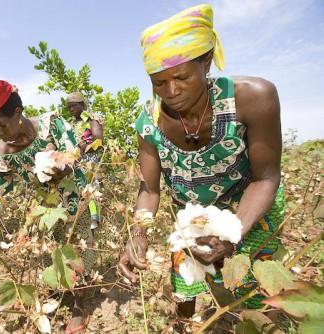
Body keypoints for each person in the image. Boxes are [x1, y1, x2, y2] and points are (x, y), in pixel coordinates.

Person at [118, 4, 284, 317]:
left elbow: (266, 179)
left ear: (206, 62)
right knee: (185, 287)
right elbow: (150, 191)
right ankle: (187, 324)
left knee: (253, 296)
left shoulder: (253, 98)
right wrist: (137, 237)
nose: (171, 91)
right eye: (158, 82)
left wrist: (232, 233)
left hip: (249, 209)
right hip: (193, 221)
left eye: (181, 77)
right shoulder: (148, 124)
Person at [0, 80, 98, 333]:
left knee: (79, 250)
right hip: (46, 210)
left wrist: (62, 165)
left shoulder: (51, 125)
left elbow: (76, 152)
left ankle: (79, 305)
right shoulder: (2, 155)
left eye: (1, 124)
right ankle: (57, 290)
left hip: (76, 199)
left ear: (18, 114)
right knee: (53, 253)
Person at [66, 92, 104, 163]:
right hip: (76, 163)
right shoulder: (71, 124)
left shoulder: (92, 119)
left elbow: (98, 144)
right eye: (69, 107)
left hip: (92, 162)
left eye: (74, 105)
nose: (71, 109)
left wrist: (82, 147)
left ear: (82, 105)